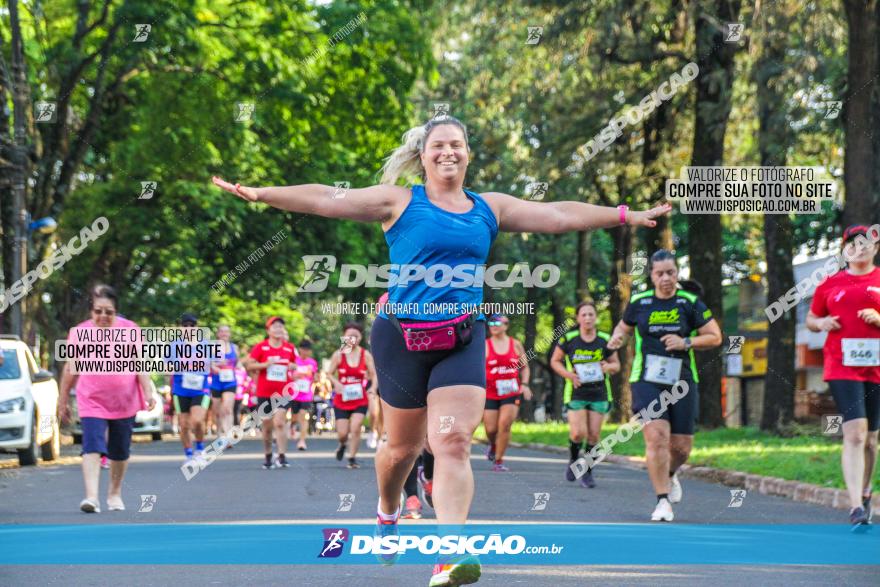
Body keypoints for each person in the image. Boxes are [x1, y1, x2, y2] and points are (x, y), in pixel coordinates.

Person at [212, 116, 668, 585]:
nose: (448, 152)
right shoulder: (398, 200)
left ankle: (449, 556)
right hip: (401, 340)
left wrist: (622, 214)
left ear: (468, 153)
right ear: (423, 154)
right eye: (438, 145)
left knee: (451, 442)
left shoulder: (488, 208)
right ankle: (387, 510)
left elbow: (557, 215)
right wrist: (263, 193)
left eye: (456, 145)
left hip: (461, 340)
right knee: (400, 448)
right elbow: (328, 198)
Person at [608, 249, 722, 522]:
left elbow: (715, 336)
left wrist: (687, 342)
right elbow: (622, 329)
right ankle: (662, 501)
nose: (666, 278)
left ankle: (671, 474)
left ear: (677, 273)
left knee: (682, 447)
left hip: (682, 380)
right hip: (646, 380)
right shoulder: (639, 302)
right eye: (660, 274)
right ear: (652, 276)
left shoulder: (690, 302)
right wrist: (615, 341)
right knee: (657, 437)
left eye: (671, 272)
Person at [806, 224, 880, 530]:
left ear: (875, 248)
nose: (859, 248)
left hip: (876, 367)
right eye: (853, 243)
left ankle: (864, 492)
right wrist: (821, 322)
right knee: (855, 433)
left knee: (872, 439)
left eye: (865, 244)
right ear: (844, 249)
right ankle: (854, 507)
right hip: (841, 365)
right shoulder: (829, 283)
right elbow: (811, 318)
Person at [58, 284, 155, 513]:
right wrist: (62, 400)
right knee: (91, 446)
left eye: (109, 312)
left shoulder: (131, 330)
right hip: (91, 400)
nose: (103, 316)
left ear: (116, 311)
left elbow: (140, 365)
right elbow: (71, 368)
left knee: (120, 452)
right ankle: (92, 497)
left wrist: (148, 392)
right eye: (98, 311)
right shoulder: (79, 333)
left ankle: (114, 493)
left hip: (125, 401)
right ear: (91, 310)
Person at [550, 300, 620, 487]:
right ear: (578, 318)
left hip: (599, 393)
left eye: (591, 314)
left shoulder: (605, 339)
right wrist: (569, 375)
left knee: (594, 436)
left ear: (596, 317)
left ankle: (588, 472)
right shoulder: (569, 338)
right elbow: (555, 361)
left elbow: (616, 365)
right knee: (578, 433)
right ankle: (573, 460)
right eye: (584, 315)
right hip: (576, 392)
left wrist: (608, 367)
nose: (588, 318)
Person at [244, 317, 297, 469]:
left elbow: (294, 364)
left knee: (280, 422)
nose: (278, 329)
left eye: (281, 327)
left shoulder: (289, 347)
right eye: (275, 327)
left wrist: (292, 366)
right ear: (268, 330)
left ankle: (282, 456)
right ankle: (268, 455)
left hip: (284, 392)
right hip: (265, 392)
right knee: (267, 426)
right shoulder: (261, 347)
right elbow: (249, 365)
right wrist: (265, 364)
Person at [482, 314, 531, 472]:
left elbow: (524, 367)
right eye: (491, 322)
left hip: (510, 391)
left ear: (506, 325)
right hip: (489, 392)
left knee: (504, 425)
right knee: (490, 429)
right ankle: (493, 444)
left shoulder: (515, 344)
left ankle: (498, 461)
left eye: (498, 322)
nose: (494, 325)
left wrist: (524, 384)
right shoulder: (485, 345)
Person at [326, 322, 378, 469]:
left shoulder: (365, 354)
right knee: (342, 433)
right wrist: (336, 383)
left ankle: (352, 457)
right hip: (341, 399)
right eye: (349, 336)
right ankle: (342, 444)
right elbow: (329, 373)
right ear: (343, 337)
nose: (352, 339)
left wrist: (372, 388)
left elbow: (374, 375)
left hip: (359, 399)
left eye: (356, 336)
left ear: (360, 338)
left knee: (356, 428)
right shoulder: (338, 354)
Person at [169, 313, 212, 462]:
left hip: (201, 388)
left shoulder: (206, 345)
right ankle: (188, 453)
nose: (189, 328)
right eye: (185, 326)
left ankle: (199, 448)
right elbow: (169, 366)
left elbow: (212, 364)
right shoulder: (174, 346)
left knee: (197, 421)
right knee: (184, 424)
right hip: (180, 389)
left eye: (192, 326)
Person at [209, 325, 238, 446]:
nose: (224, 334)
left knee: (227, 408)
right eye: (222, 332)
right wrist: (216, 366)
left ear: (229, 334)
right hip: (216, 382)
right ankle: (219, 434)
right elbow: (207, 363)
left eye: (226, 331)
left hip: (230, 381)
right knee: (217, 410)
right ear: (218, 334)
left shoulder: (234, 347)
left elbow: (236, 363)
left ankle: (228, 435)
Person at [290, 339, 319, 450]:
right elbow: (290, 376)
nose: (305, 352)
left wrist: (316, 378)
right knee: (294, 416)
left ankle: (302, 441)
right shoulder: (294, 361)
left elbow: (315, 376)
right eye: (303, 349)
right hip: (294, 394)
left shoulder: (312, 362)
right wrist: (296, 376)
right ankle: (292, 425)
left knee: (303, 416)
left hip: (306, 394)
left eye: (307, 350)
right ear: (300, 349)